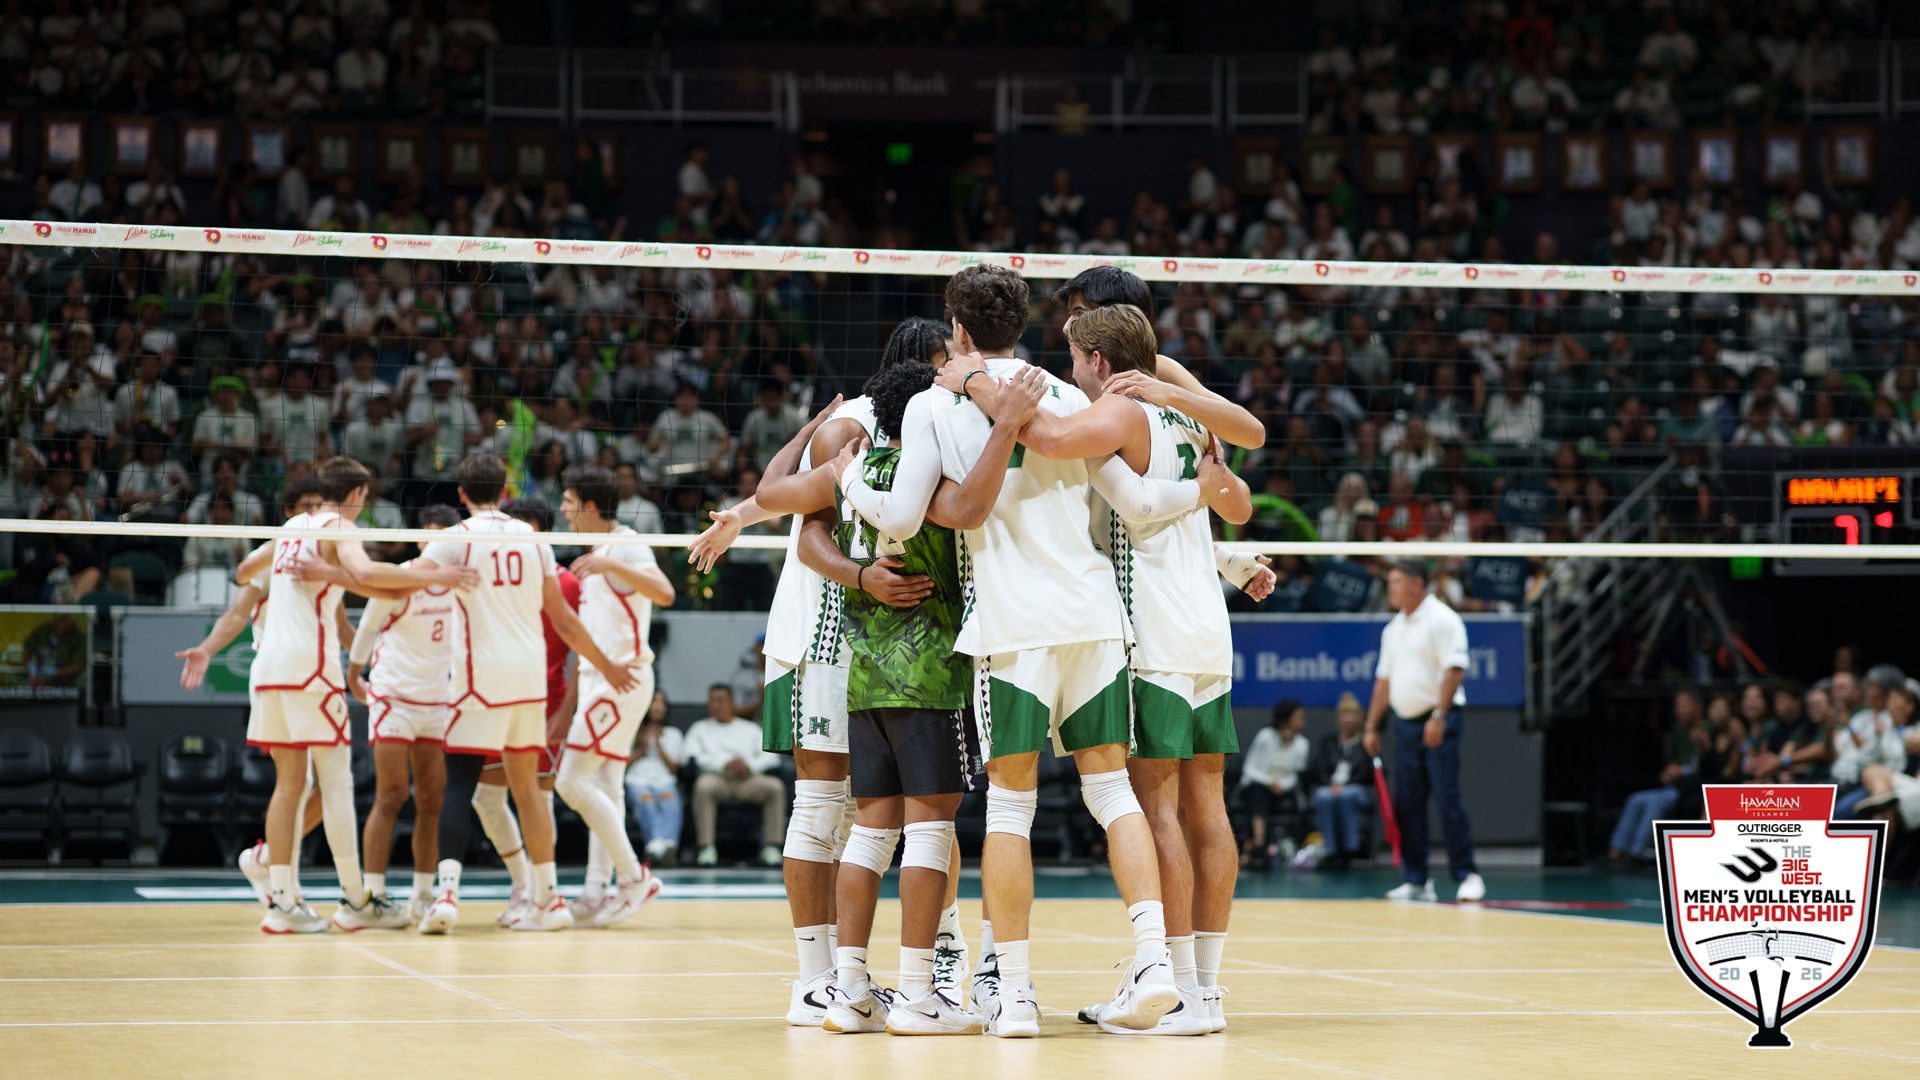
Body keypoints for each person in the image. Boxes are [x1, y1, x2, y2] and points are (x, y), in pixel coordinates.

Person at [836, 266, 1182, 1037]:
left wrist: (850, 480)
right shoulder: (1067, 395)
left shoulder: (932, 402)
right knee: (1113, 794)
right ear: (1023, 323)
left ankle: (1016, 994)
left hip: (1012, 625)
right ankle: (1155, 959)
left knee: (1011, 810)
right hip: (1094, 614)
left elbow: (904, 518)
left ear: (956, 330)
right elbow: (1130, 496)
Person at [940, 265, 1270, 1032]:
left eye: (1076, 324)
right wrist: (1231, 546)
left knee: (1150, 803)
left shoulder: (1120, 401)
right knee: (1205, 804)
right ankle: (1205, 989)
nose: (1066, 342)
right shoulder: (1170, 397)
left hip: (1147, 622)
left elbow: (1099, 471)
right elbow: (1233, 494)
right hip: (1204, 621)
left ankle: (1179, 985)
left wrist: (976, 381)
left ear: (1101, 330)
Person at [688, 320, 953, 1028]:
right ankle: (817, 980)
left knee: (904, 813)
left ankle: (882, 974)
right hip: (828, 636)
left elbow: (782, 494)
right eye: (948, 361)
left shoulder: (911, 427)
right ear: (924, 366)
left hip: (889, 645)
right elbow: (805, 525)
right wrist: (862, 575)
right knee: (829, 808)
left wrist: (739, 516)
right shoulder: (855, 425)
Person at [812, 361, 1037, 1036]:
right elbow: (968, 510)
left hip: (865, 677)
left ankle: (848, 988)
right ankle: (917, 994)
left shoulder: (857, 468)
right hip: (930, 674)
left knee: (871, 832)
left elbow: (799, 518)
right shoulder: (928, 479)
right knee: (930, 833)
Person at [410, 454, 638, 934]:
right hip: (529, 685)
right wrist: (606, 666)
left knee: (461, 784)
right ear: (505, 491)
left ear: (461, 494)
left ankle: (445, 894)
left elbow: (406, 581)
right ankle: (549, 899)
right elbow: (565, 621)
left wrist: (366, 576)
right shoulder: (534, 543)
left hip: (478, 678)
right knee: (530, 792)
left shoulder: (454, 539)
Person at [247, 456, 473, 932]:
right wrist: (431, 576)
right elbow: (368, 575)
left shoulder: (292, 526)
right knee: (335, 784)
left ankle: (283, 901)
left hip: (268, 666)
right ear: (356, 496)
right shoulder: (339, 527)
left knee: (291, 783)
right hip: (310, 669)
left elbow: (248, 567)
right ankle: (354, 898)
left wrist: (328, 577)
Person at [554, 464, 676, 928]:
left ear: (587, 505)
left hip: (620, 680)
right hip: (599, 681)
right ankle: (594, 889)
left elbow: (665, 592)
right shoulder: (600, 548)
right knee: (602, 786)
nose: (563, 513)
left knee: (570, 782)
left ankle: (632, 877)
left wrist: (611, 563)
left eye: (567, 504)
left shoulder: (624, 543)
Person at [344, 503, 463, 921]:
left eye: (443, 535)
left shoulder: (462, 581)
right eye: (429, 533)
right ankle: (373, 894)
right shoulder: (399, 577)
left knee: (432, 799)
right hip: (393, 696)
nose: (435, 542)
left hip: (437, 700)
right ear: (418, 537)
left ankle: (423, 894)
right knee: (391, 794)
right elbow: (368, 626)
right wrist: (355, 675)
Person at [475, 495, 579, 927]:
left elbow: (579, 652)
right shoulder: (493, 574)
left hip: (545, 700)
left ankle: (544, 894)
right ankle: (525, 885)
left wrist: (568, 710)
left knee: (537, 796)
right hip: (495, 696)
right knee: (486, 797)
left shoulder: (565, 582)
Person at [1364, 560, 1483, 903]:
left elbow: (1454, 669)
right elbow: (1383, 681)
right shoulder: (1393, 629)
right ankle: (1417, 880)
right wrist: (1372, 725)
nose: (1391, 587)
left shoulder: (1443, 619)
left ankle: (1468, 874)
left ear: (1417, 584)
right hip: (1404, 726)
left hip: (1438, 722)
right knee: (1408, 805)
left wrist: (1439, 715)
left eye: (1397, 581)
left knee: (1447, 800)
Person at [686, 683, 787, 867]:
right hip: (717, 779)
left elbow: (772, 757)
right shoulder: (699, 728)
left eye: (720, 700)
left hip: (748, 780)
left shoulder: (750, 729)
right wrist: (724, 763)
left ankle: (772, 847)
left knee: (774, 787)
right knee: (703, 786)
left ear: (732, 703)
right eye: (711, 701)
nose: (714, 705)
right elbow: (691, 756)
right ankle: (706, 848)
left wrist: (749, 766)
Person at [1237, 699, 1309, 870]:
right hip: (1258, 784)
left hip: (1283, 790)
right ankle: (1260, 840)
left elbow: (1295, 775)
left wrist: (1281, 785)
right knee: (1259, 792)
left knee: (1263, 795)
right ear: (1285, 719)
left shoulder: (1302, 744)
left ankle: (1253, 845)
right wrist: (1268, 782)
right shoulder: (1266, 736)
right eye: (1298, 717)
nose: (1302, 721)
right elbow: (1249, 769)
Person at [1307, 692, 1375, 869]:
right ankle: (1331, 850)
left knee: (1347, 796)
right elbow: (1318, 769)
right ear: (1338, 719)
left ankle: (1349, 849)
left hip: (1356, 788)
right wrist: (1330, 785)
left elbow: (1369, 772)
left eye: (1353, 715)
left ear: (1360, 718)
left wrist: (1345, 786)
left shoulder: (1366, 743)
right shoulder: (1327, 742)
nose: (1349, 719)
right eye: (1345, 715)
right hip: (1329, 787)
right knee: (1323, 796)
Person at [624, 690, 683, 864]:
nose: (657, 707)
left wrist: (658, 745)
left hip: (664, 780)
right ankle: (665, 844)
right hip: (637, 780)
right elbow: (623, 765)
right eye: (653, 702)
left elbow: (674, 769)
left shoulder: (673, 734)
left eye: (661, 703)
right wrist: (642, 747)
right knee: (646, 799)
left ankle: (656, 846)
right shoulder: (631, 731)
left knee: (668, 797)